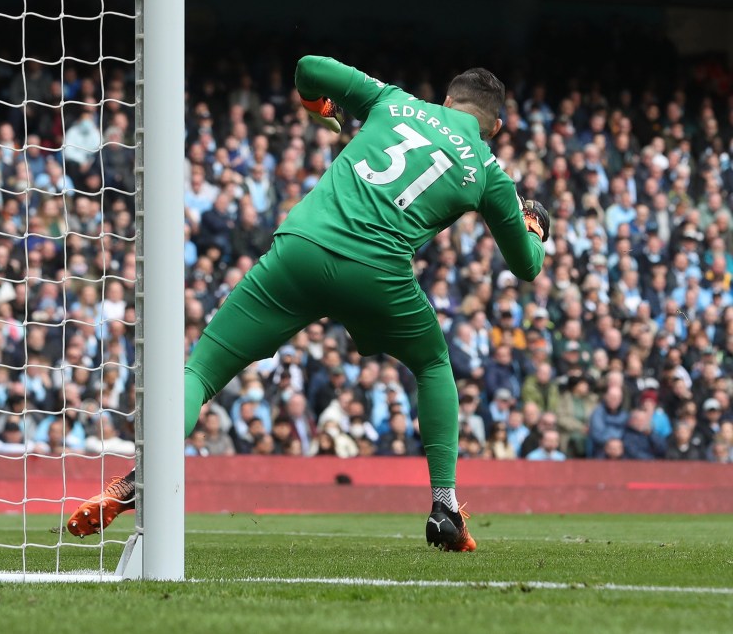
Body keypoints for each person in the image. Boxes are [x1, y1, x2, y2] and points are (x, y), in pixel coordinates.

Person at [67, 56, 547, 552]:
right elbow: (527, 266)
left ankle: (138, 477)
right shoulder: (490, 173)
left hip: (302, 250)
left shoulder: (397, 101)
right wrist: (534, 227)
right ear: (496, 126)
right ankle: (444, 503)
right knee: (432, 362)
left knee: (202, 373)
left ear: (447, 100)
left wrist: (315, 104)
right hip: (378, 275)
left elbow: (309, 65)